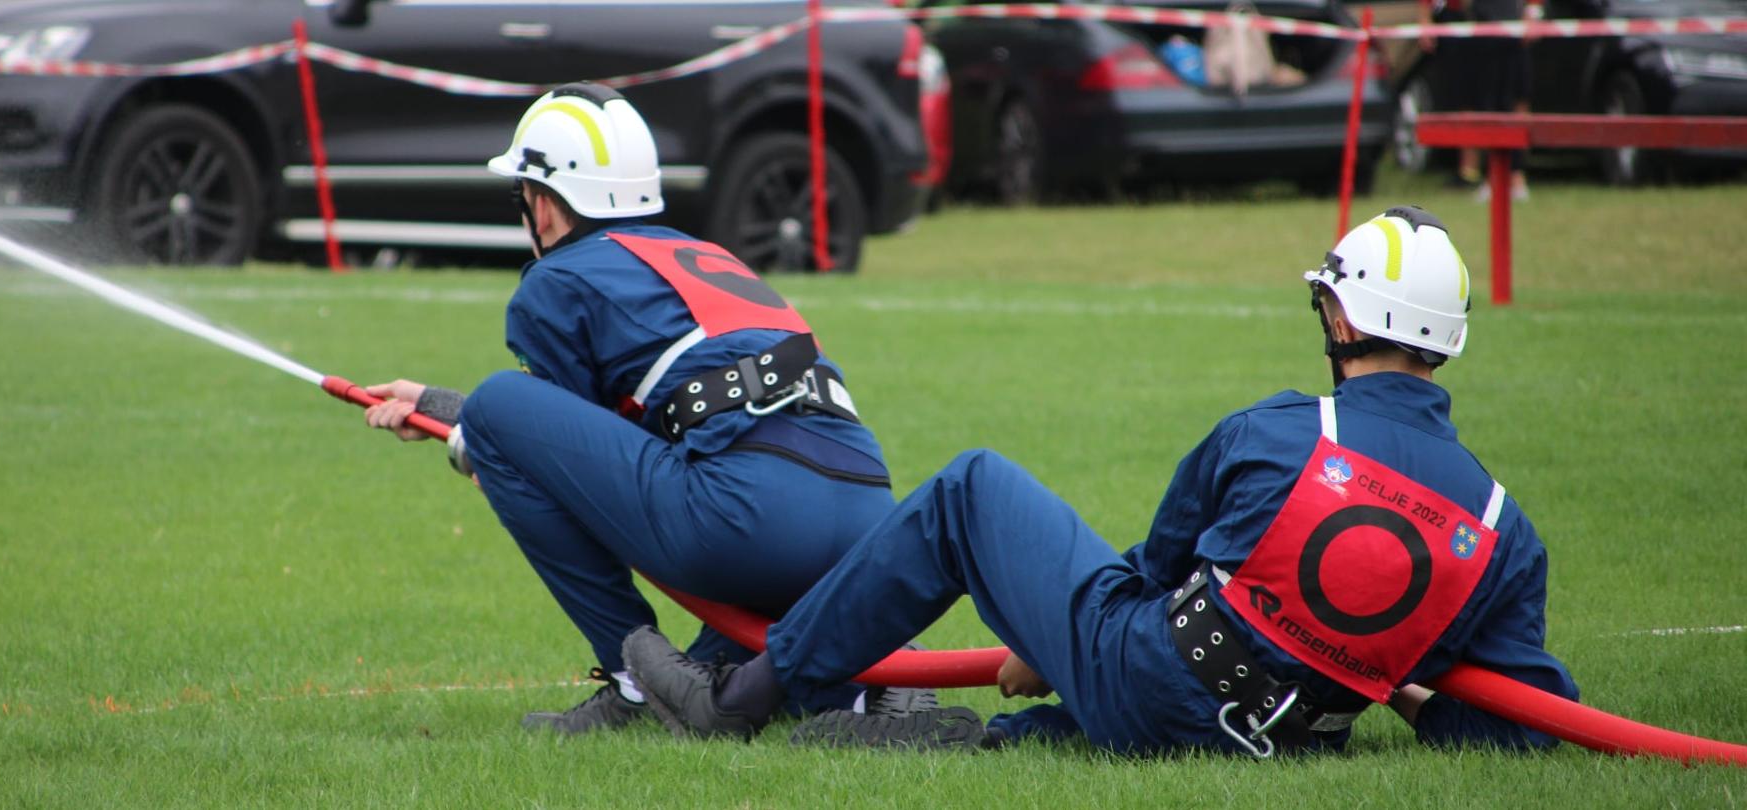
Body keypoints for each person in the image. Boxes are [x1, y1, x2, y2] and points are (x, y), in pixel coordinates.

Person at [625, 206, 1580, 756]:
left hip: (1156, 680)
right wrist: (1398, 684)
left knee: (971, 488)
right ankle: (985, 732)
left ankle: (736, 702)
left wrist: (1050, 643)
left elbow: (1154, 575)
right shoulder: (1504, 531)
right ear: (1445, 344)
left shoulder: (1278, 433)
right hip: (1290, 737)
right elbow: (1526, 727)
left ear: (1338, 320)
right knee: (1091, 683)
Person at [360, 83, 911, 734]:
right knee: (722, 675)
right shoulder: (703, 254)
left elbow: (553, 462)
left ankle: (632, 683)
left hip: (751, 519)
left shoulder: (557, 280)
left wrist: (469, 429)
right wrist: (445, 410)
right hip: (868, 519)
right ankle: (859, 688)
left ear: (543, 205)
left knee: (500, 400)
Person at [1420, 0, 1536, 200]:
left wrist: (1532, 12)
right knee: (1485, 107)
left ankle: (1514, 176)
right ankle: (1487, 176)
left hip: (1506, 29)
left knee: (1507, 106)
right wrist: (1425, 17)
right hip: (1477, 31)